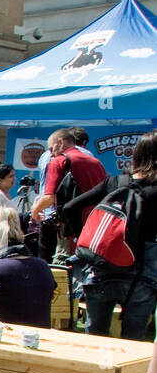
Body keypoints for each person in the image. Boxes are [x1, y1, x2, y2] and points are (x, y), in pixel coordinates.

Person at [61, 128, 157, 340]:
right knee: (133, 343)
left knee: (95, 338)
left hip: (101, 267)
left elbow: (69, 208)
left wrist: (84, 237)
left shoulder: (115, 182)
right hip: (142, 274)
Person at [31, 127, 108, 228]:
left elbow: (50, 198)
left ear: (61, 142)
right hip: (95, 222)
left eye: (51, 149)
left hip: (70, 224)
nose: (51, 154)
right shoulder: (96, 162)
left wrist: (35, 211)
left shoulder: (59, 161)